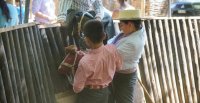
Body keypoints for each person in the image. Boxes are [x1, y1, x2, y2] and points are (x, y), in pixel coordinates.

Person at [73, 19, 122, 103]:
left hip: (89, 95)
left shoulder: (85, 61)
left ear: (87, 39)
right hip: (106, 92)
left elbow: (77, 88)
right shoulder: (112, 49)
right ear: (104, 36)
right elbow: (119, 67)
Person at [108, 9, 146, 103]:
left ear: (130, 24)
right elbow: (111, 42)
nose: (120, 28)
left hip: (124, 77)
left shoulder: (134, 42)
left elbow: (111, 55)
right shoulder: (132, 31)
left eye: (121, 25)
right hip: (118, 73)